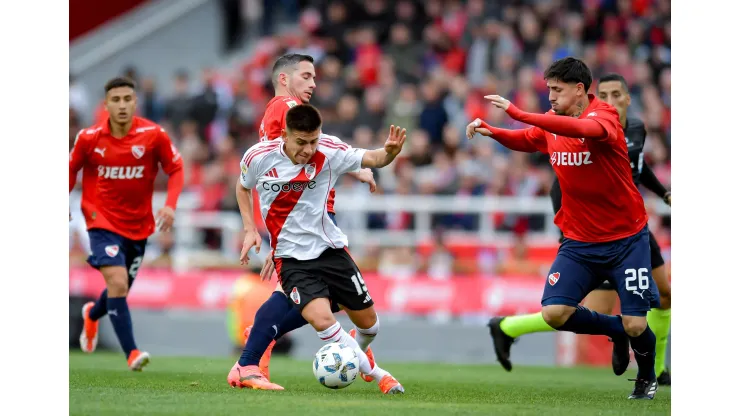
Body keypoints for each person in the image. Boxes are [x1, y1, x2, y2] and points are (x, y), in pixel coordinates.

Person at [467, 57, 660, 400]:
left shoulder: (604, 117)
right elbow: (529, 139)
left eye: (557, 90)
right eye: (548, 90)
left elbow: (581, 130)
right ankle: (615, 330)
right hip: (579, 243)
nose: (551, 97)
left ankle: (646, 376)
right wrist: (493, 132)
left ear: (580, 89)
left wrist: (517, 111)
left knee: (637, 324)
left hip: (626, 240)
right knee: (555, 313)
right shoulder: (555, 121)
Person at [227, 104, 406, 394]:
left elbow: (372, 157)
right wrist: (250, 228)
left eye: (313, 141)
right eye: (301, 142)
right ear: (284, 134)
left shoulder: (329, 149)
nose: (308, 149)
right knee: (324, 322)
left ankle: (356, 350)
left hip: (331, 251)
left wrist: (389, 154)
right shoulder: (259, 157)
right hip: (292, 259)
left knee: (370, 325)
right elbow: (242, 186)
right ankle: (380, 375)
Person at [230, 53, 377, 385]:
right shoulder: (284, 109)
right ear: (285, 79)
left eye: (314, 78)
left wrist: (358, 169)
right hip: (305, 220)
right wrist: (278, 235)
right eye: (307, 76)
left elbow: (306, 161)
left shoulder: (285, 113)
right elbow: (274, 170)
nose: (313, 83)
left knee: (320, 293)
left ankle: (261, 341)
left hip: (312, 219)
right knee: (315, 294)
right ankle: (254, 355)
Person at [70, 77, 184, 370]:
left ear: (136, 102)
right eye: (115, 100)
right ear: (105, 104)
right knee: (118, 282)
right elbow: (71, 168)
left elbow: (176, 168)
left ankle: (92, 315)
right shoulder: (89, 138)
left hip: (139, 225)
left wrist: (170, 206)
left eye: (127, 99)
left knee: (119, 290)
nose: (122, 105)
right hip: (100, 220)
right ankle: (132, 353)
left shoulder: (153, 134)